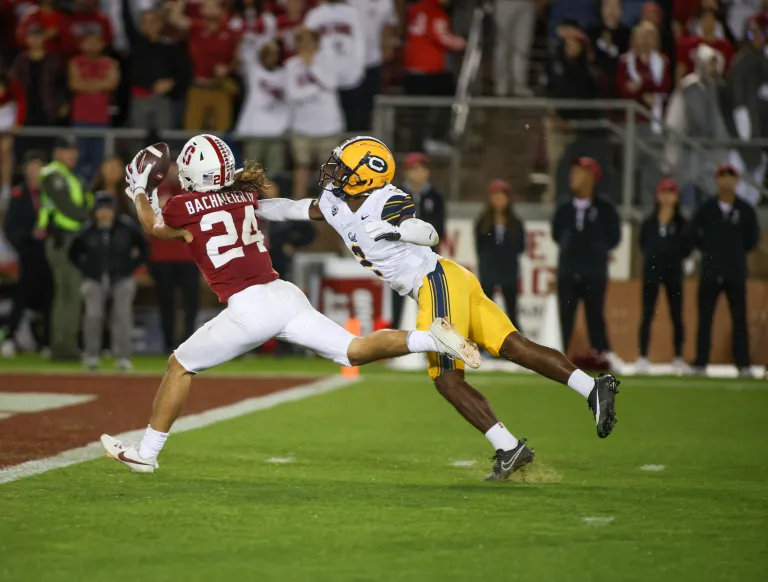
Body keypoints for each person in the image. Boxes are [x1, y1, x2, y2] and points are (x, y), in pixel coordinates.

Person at [101, 133, 480, 472]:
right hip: (283, 294)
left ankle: (146, 453)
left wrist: (139, 191)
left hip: (249, 307)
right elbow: (259, 209)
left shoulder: (183, 206)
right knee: (354, 350)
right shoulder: (245, 194)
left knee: (179, 366)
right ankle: (432, 338)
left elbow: (157, 228)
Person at [253, 136, 621, 481]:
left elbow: (428, 233)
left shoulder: (388, 201)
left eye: (344, 169)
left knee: (447, 377)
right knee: (512, 346)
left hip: (436, 281)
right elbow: (294, 208)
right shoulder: (334, 200)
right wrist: (246, 206)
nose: (335, 174)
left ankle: (510, 446)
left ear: (366, 176)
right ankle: (592, 388)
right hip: (450, 280)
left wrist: (397, 232)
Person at [691, 164, 760, 377]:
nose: (727, 181)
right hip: (710, 272)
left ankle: (743, 364)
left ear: (737, 181)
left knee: (739, 319)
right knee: (705, 319)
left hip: (735, 273)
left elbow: (752, 239)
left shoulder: (745, 210)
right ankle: (700, 362)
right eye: (723, 176)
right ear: (717, 180)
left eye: (731, 176)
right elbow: (694, 233)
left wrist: (735, 253)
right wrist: (710, 252)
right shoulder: (707, 209)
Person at [552, 157, 622, 370]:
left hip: (594, 272)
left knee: (595, 315)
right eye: (573, 172)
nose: (573, 176)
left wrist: (595, 247)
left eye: (580, 172)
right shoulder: (563, 207)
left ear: (592, 178)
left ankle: (603, 355)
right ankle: (557, 359)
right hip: (567, 271)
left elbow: (614, 237)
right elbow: (556, 233)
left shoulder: (605, 209)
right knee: (565, 316)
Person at [68, 192, 149, 370]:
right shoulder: (87, 230)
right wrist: (86, 270)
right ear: (95, 211)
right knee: (93, 316)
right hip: (94, 278)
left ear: (114, 210)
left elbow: (144, 248)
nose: (104, 213)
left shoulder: (127, 228)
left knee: (122, 316)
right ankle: (91, 356)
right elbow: (73, 253)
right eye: (100, 209)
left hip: (122, 277)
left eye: (107, 209)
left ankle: (123, 358)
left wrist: (130, 267)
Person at [37, 136, 92, 360]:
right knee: (68, 293)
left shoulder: (70, 176)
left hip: (70, 239)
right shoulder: (53, 175)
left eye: (74, 150)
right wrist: (89, 217)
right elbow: (68, 208)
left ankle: (63, 345)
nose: (73, 155)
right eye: (68, 151)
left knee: (67, 294)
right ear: (57, 153)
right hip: (62, 240)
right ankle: (64, 347)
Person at [636, 178, 692, 375]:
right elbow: (643, 244)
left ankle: (678, 357)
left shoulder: (682, 223)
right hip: (652, 273)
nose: (667, 197)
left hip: (674, 273)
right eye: (664, 192)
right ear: (658, 196)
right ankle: (642, 357)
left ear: (676, 197)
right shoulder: (649, 222)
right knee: (647, 314)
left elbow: (687, 247)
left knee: (677, 315)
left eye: (671, 193)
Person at [0, 151, 52, 358]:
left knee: (50, 298)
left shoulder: (51, 193)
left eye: (39, 168)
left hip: (48, 253)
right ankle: (9, 338)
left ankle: (47, 342)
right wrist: (25, 240)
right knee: (20, 298)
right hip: (27, 253)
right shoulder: (18, 194)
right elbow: (10, 227)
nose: (35, 173)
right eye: (31, 168)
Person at [664, 43, 729, 206]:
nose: (713, 68)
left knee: (710, 195)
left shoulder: (717, 87)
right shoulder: (688, 87)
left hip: (710, 152)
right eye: (710, 63)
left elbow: (718, 119)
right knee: (689, 195)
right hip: (689, 152)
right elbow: (676, 119)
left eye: (715, 63)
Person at [546, 26, 605, 203]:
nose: (570, 47)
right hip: (557, 124)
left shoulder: (588, 74)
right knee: (555, 164)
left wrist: (576, 124)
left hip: (580, 130)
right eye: (567, 44)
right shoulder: (556, 67)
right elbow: (550, 90)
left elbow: (591, 104)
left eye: (574, 44)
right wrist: (552, 110)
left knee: (578, 168)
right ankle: (553, 201)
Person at [147, 161, 201, 352]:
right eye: (171, 167)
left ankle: (189, 342)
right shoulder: (153, 189)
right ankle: (168, 343)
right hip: (161, 257)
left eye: (177, 167)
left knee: (191, 303)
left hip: (189, 257)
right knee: (166, 302)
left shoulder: (193, 189)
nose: (174, 171)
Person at [616, 20, 672, 203]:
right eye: (642, 36)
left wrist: (640, 87)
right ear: (634, 39)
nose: (646, 40)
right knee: (629, 169)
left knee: (652, 170)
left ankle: (648, 210)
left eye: (650, 36)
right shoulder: (625, 62)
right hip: (631, 124)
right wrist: (645, 91)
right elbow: (623, 91)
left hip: (654, 124)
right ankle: (627, 208)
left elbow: (664, 88)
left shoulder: (663, 62)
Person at [285, 27, 344, 199]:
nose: (305, 45)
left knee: (328, 169)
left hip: (328, 126)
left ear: (316, 43)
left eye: (309, 41)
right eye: (301, 41)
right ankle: (298, 211)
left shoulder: (328, 61)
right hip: (301, 127)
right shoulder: (291, 65)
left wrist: (311, 67)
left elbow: (331, 83)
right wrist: (315, 90)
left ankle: (329, 208)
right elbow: (292, 94)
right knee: (301, 168)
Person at [402, 0, 465, 151]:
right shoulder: (436, 12)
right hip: (431, 68)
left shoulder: (416, 8)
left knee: (418, 110)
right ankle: (432, 140)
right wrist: (462, 43)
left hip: (412, 66)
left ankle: (418, 144)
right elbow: (441, 36)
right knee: (445, 102)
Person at [168, 0, 239, 131]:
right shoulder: (196, 28)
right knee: (193, 134)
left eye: (212, 5)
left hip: (220, 89)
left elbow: (237, 60)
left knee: (220, 135)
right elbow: (174, 18)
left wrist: (227, 69)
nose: (207, 8)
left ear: (221, 10)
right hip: (197, 88)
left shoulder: (230, 33)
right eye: (205, 6)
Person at [393, 152, 445, 328]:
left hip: (426, 256)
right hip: (401, 256)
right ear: (407, 172)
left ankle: (429, 339)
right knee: (398, 299)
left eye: (423, 168)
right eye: (414, 169)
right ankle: (393, 341)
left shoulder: (435, 197)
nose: (419, 173)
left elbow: (440, 227)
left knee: (428, 298)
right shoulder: (396, 194)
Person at [122, 0, 188, 131]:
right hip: (140, 97)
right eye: (146, 22)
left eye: (154, 22)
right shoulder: (137, 44)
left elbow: (184, 72)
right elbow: (127, 19)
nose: (151, 25)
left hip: (163, 99)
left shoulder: (171, 47)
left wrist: (171, 82)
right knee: (137, 138)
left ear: (161, 23)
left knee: (165, 137)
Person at [724, 16, 768, 206]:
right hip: (743, 131)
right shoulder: (742, 60)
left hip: (761, 133)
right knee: (740, 180)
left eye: (761, 33)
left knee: (756, 181)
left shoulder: (762, 60)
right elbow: (737, 93)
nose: (757, 37)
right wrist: (741, 115)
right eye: (752, 33)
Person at [304, 0, 366, 131]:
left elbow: (360, 44)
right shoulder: (314, 15)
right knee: (325, 126)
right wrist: (316, 72)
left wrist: (357, 71)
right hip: (323, 79)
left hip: (350, 77)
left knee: (353, 126)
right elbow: (307, 45)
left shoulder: (353, 14)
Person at [68, 31, 120, 182]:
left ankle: (96, 192)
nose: (92, 45)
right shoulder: (75, 62)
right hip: (80, 119)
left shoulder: (111, 63)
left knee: (100, 161)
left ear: (103, 44)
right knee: (78, 158)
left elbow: (111, 83)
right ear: (81, 44)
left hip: (101, 119)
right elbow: (75, 84)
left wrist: (87, 84)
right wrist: (100, 84)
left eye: (96, 41)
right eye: (88, 41)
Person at [474, 179, 526, 325]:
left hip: (509, 271)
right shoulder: (483, 222)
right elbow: (479, 247)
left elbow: (521, 247)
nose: (499, 199)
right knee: (485, 310)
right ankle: (482, 343)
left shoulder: (515, 223)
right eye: (495, 195)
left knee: (512, 312)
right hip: (488, 270)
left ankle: (514, 344)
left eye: (502, 195)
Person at [235, 40, 287, 178]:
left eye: (274, 54)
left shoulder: (285, 73)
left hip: (276, 131)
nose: (271, 57)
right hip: (254, 131)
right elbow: (245, 53)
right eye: (267, 54)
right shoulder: (253, 71)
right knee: (251, 173)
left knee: (275, 173)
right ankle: (250, 200)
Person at [349, 0, 398, 130]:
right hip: (351, 61)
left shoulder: (386, 3)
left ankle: (366, 139)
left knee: (371, 105)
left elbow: (388, 25)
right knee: (351, 105)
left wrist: (386, 48)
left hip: (374, 60)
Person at [587, 0, 631, 98]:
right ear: (601, 9)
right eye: (608, 6)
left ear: (621, 11)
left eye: (615, 7)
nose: (612, 11)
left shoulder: (627, 34)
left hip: (619, 84)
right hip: (596, 87)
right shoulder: (592, 32)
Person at [493, 0, 535, 97]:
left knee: (523, 46)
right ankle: (501, 84)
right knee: (502, 46)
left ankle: (519, 85)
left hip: (527, 4)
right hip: (505, 3)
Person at [0, 63, 23, 207]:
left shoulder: (11, 83)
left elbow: (22, 101)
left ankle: (6, 187)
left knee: (5, 150)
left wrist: (18, 123)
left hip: (6, 125)